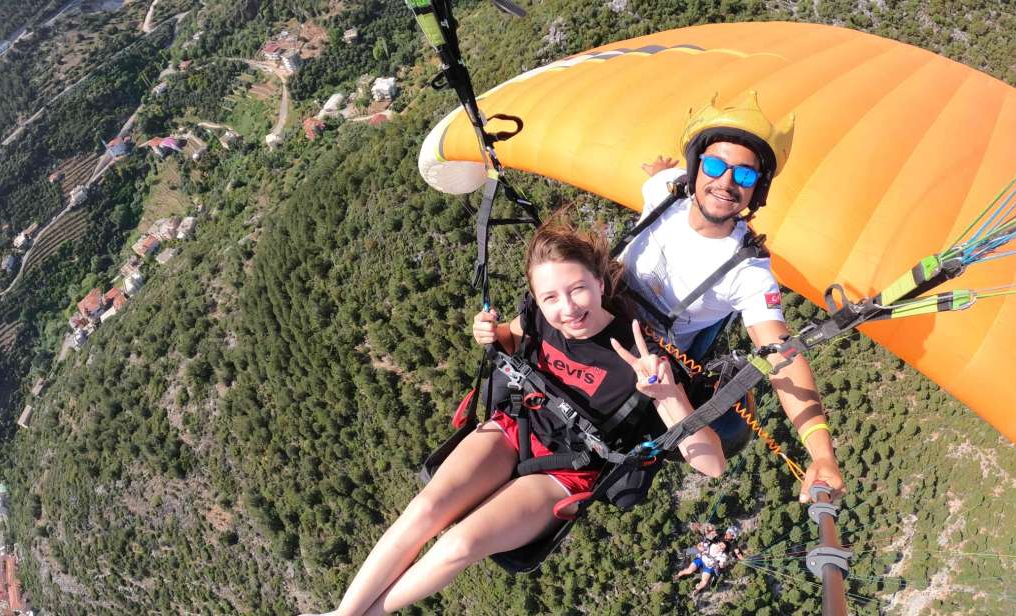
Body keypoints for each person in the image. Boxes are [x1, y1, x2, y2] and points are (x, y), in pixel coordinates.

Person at [303, 220, 727, 616]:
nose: (567, 310)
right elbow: (511, 337)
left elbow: (711, 465)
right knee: (426, 508)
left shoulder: (643, 357)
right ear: (538, 298)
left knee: (460, 543)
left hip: (566, 471)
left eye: (578, 289)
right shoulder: (537, 317)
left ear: (600, 283)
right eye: (551, 298)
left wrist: (668, 394)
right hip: (515, 426)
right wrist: (491, 334)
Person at [621, 91, 844, 503]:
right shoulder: (663, 195)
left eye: (743, 176)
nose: (725, 182)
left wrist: (822, 454)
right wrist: (660, 170)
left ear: (757, 190)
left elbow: (780, 356)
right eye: (714, 166)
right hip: (590, 313)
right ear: (695, 168)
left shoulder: (748, 270)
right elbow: (659, 180)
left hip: (645, 361)